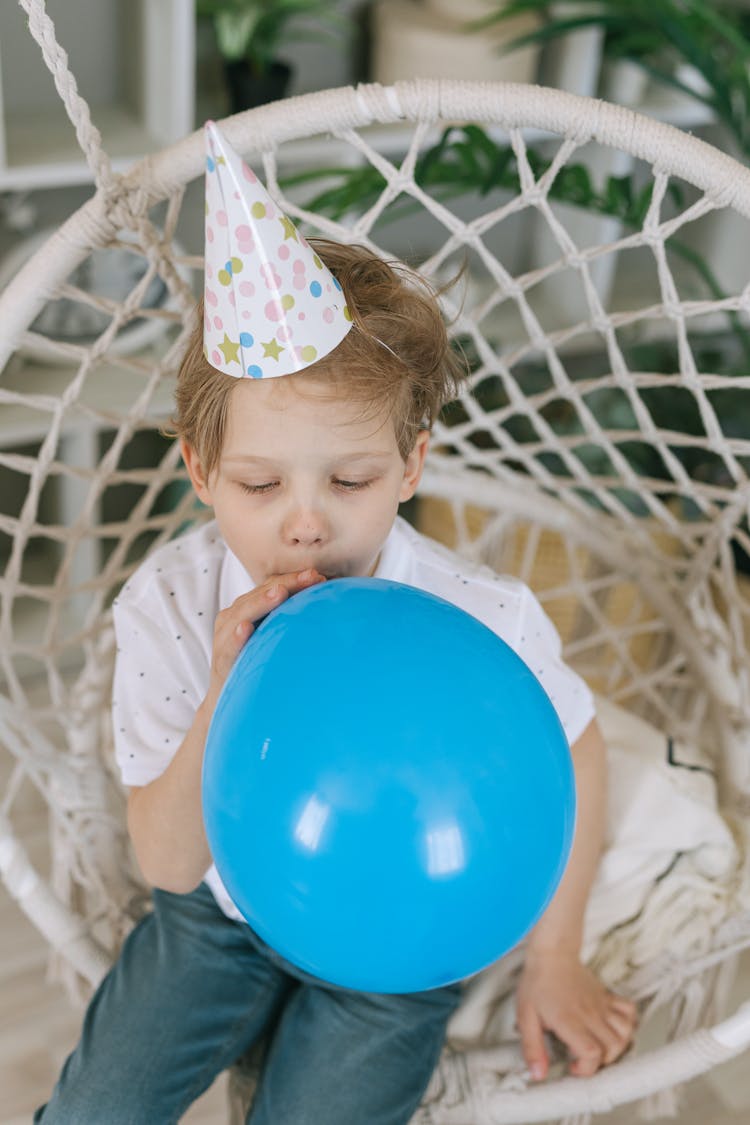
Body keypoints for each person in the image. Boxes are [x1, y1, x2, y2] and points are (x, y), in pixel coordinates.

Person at [35, 124, 637, 1125]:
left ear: (410, 468)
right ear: (198, 470)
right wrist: (228, 675)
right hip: (218, 919)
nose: (304, 519)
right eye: (260, 483)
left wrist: (556, 955)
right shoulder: (172, 604)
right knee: (96, 1109)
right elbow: (170, 865)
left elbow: (576, 746)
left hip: (403, 938)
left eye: (351, 480)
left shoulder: (476, 616)